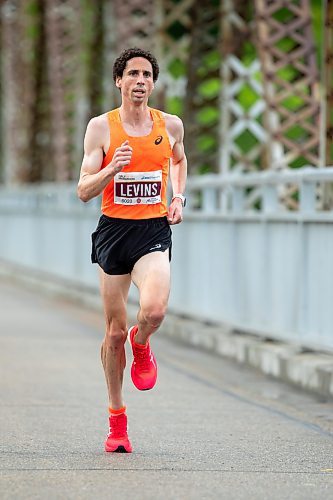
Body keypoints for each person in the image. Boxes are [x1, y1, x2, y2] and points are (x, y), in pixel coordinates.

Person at [77, 47, 187, 453]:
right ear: (118, 81)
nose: (140, 81)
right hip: (113, 234)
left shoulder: (170, 125)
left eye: (147, 75)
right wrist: (111, 169)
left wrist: (180, 198)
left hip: (153, 231)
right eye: (133, 74)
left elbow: (179, 160)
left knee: (154, 310)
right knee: (113, 332)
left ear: (153, 83)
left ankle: (143, 342)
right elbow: (83, 191)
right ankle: (117, 421)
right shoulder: (101, 129)